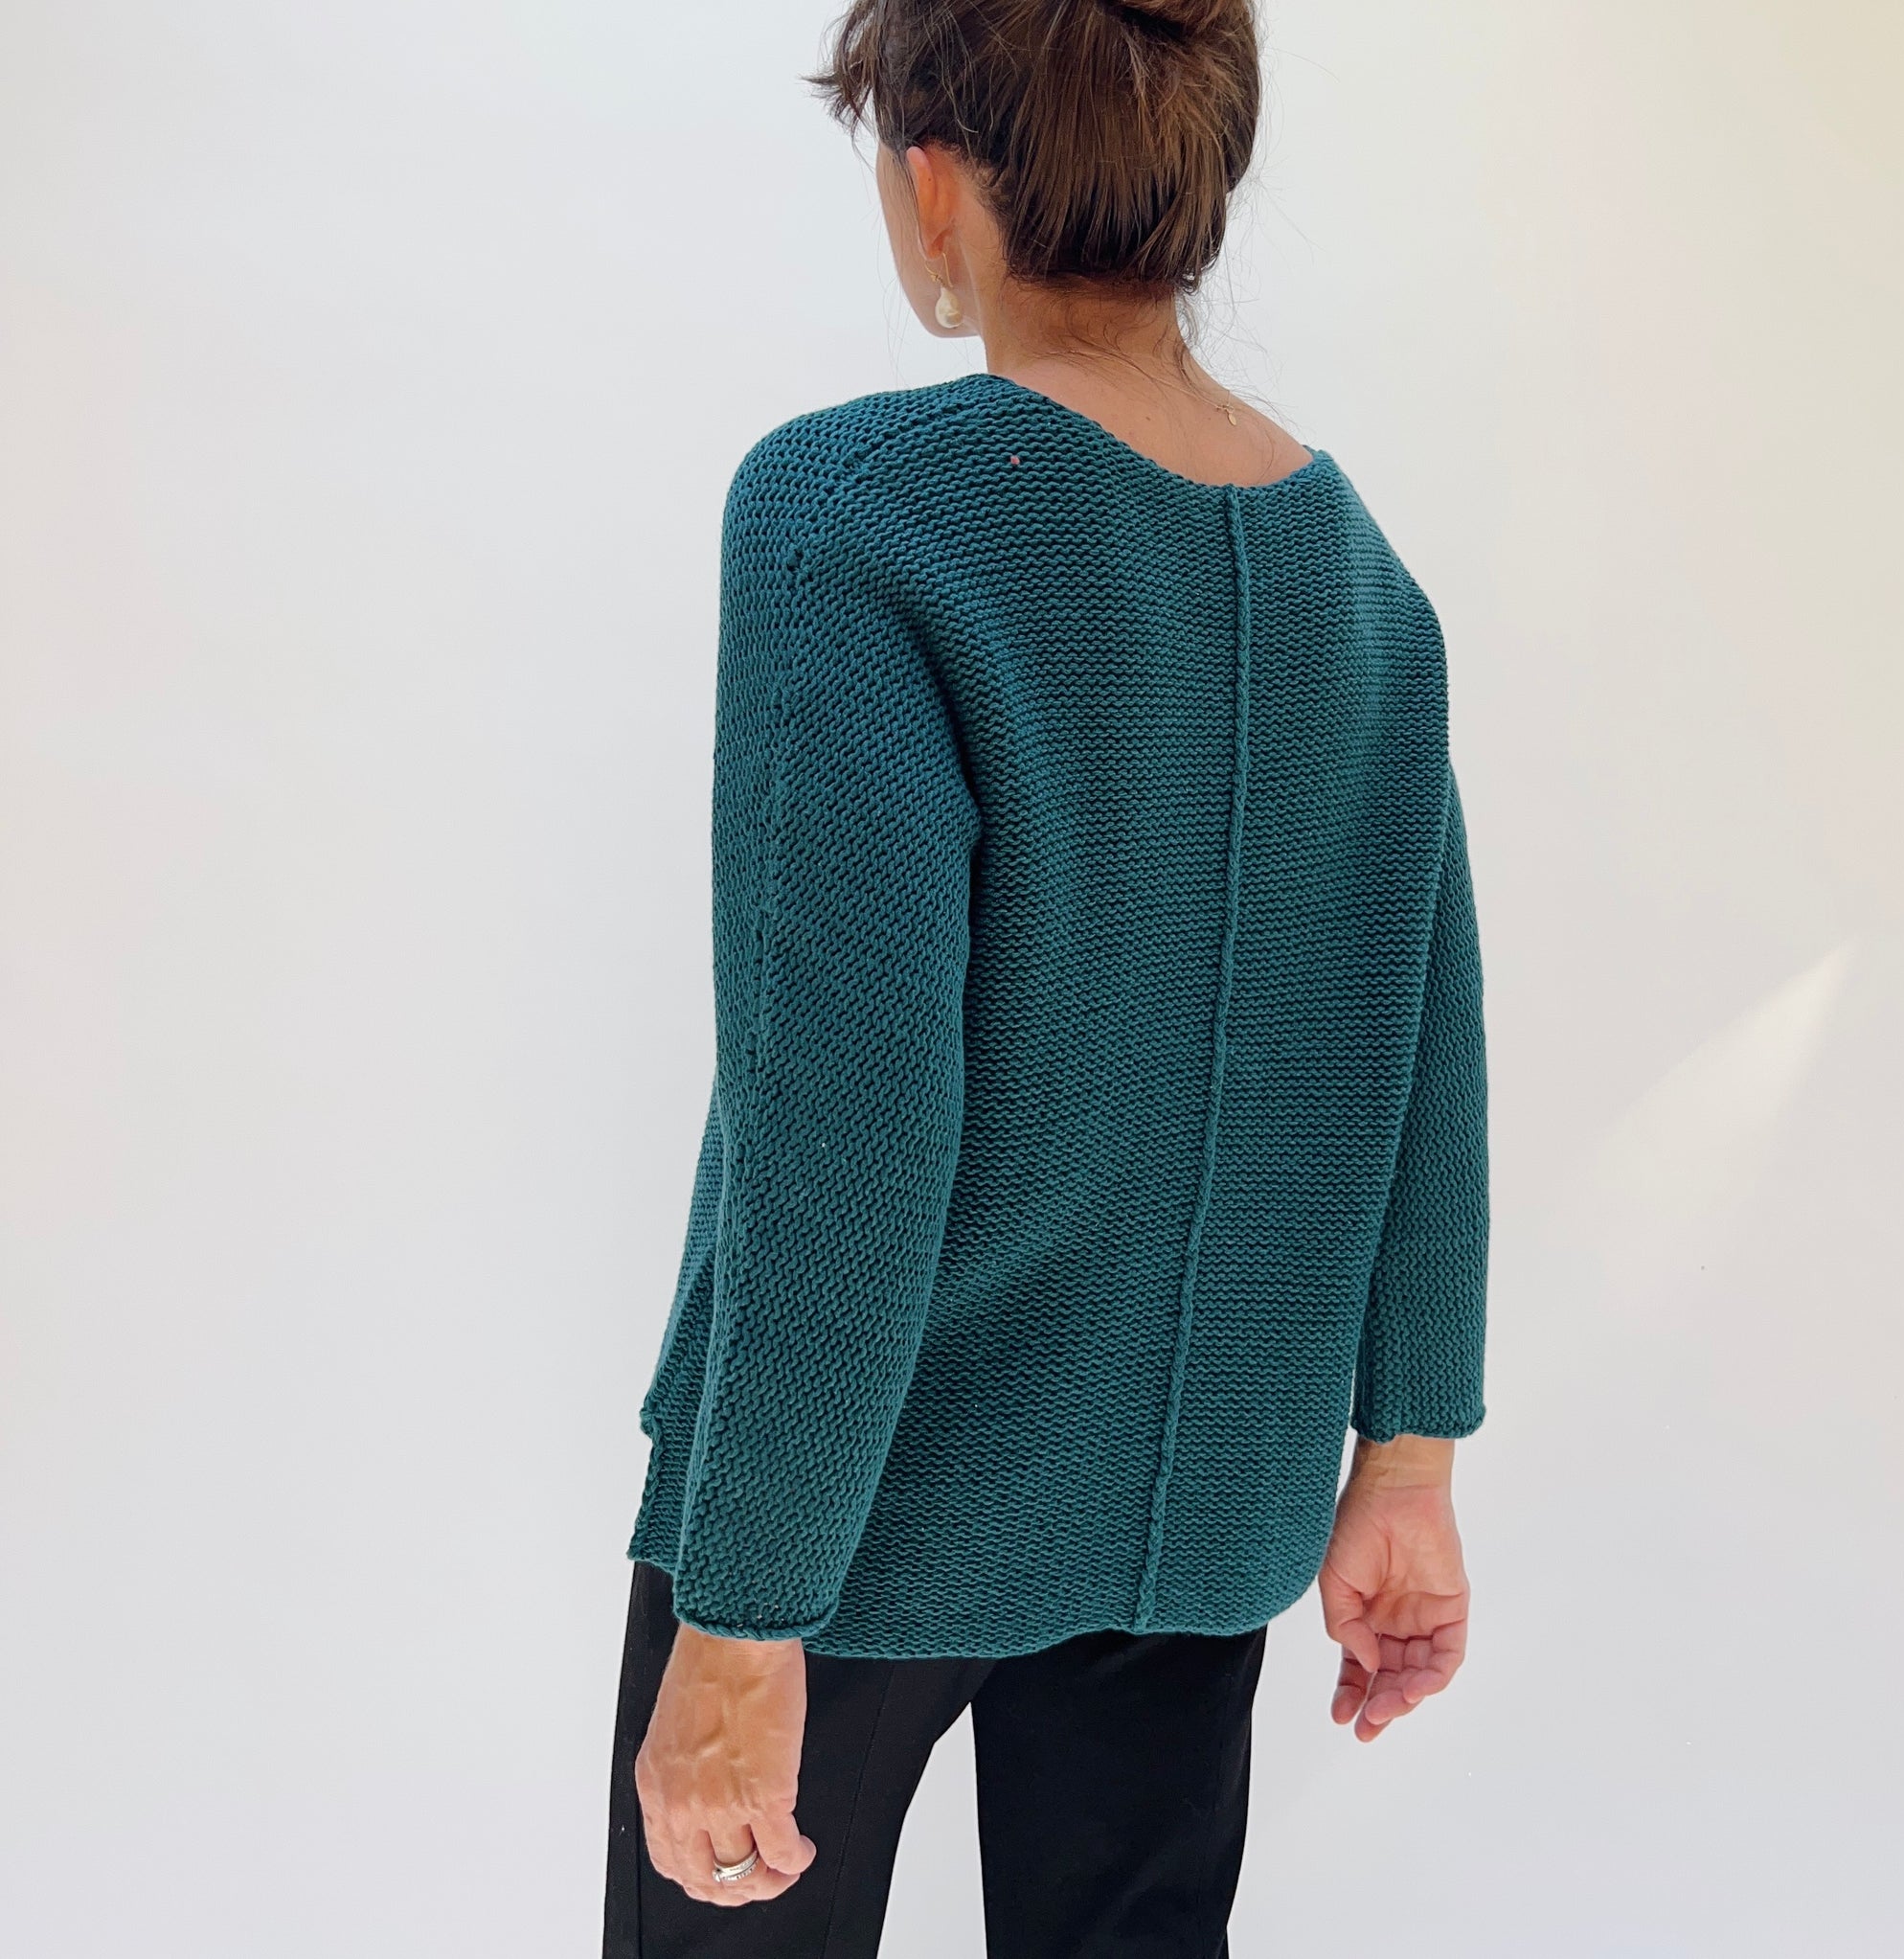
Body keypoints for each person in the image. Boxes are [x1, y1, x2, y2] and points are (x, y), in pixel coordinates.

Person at [603, 1, 1489, 1952]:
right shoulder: (1365, 582)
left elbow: (845, 1112)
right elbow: (1426, 1045)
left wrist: (742, 1608)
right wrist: (1407, 1462)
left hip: (854, 1508)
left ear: (936, 184)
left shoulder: (857, 513)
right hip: (1210, 1502)